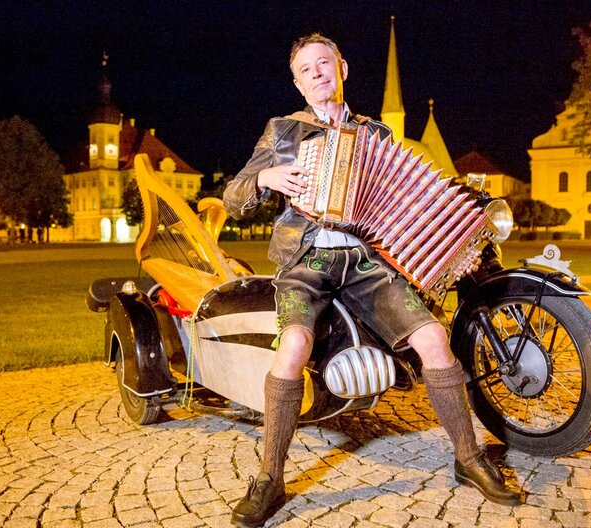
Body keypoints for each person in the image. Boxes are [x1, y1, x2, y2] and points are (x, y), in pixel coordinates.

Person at [223, 33, 522, 527]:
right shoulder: (283, 131)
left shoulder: (376, 134)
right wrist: (264, 180)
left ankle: (469, 459)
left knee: (433, 338)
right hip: (308, 261)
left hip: (365, 262)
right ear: (298, 84)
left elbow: (400, 199)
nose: (318, 73)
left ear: (343, 68)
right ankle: (269, 478)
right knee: (293, 346)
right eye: (307, 69)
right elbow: (234, 196)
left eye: (325, 63)